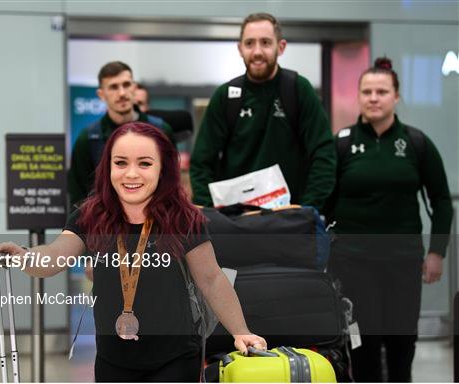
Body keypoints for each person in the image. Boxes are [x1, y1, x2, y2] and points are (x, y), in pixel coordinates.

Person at [0, 122, 266, 382]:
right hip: (113, 360)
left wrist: (241, 332)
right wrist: (24, 255)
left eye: (145, 163)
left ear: (163, 170)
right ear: (107, 168)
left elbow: (211, 279)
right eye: (120, 163)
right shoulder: (89, 217)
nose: (131, 174)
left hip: (176, 358)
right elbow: (54, 257)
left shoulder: (182, 219)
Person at [326, 57, 453, 382]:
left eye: (381, 91)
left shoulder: (416, 143)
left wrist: (436, 252)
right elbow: (323, 201)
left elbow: (441, 201)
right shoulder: (341, 142)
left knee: (400, 344)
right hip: (352, 265)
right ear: (358, 96)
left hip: (402, 262)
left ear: (396, 96)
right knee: (361, 344)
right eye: (366, 91)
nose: (373, 98)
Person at [190, 12, 336, 211]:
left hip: (288, 221)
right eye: (250, 43)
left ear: (281, 47)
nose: (257, 51)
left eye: (266, 42)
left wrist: (307, 209)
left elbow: (324, 154)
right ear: (240, 48)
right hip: (235, 224)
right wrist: (212, 213)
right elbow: (201, 163)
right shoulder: (226, 97)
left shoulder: (298, 90)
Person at [68, 61, 173, 209]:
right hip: (104, 225)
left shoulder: (162, 131)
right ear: (101, 94)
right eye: (113, 87)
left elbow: (172, 183)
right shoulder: (88, 139)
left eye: (126, 85)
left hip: (157, 222)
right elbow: (78, 197)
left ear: (134, 88)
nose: (122, 93)